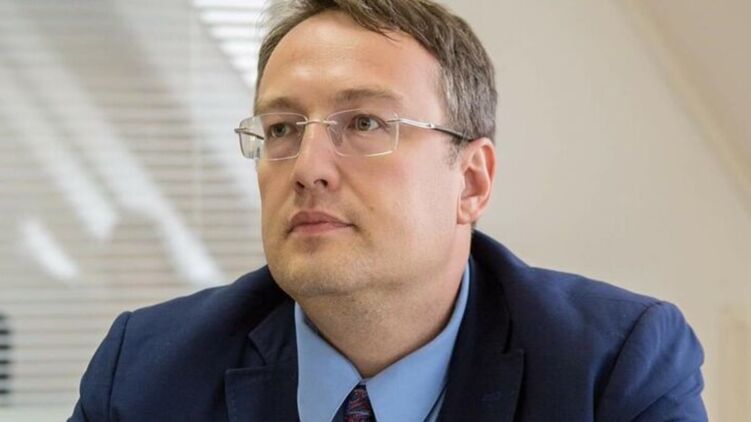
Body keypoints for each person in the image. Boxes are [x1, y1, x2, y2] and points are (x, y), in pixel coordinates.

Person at [69, 0, 707, 421]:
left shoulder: (610, 368)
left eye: (365, 122)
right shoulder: (145, 373)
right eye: (283, 128)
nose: (309, 167)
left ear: (471, 182)